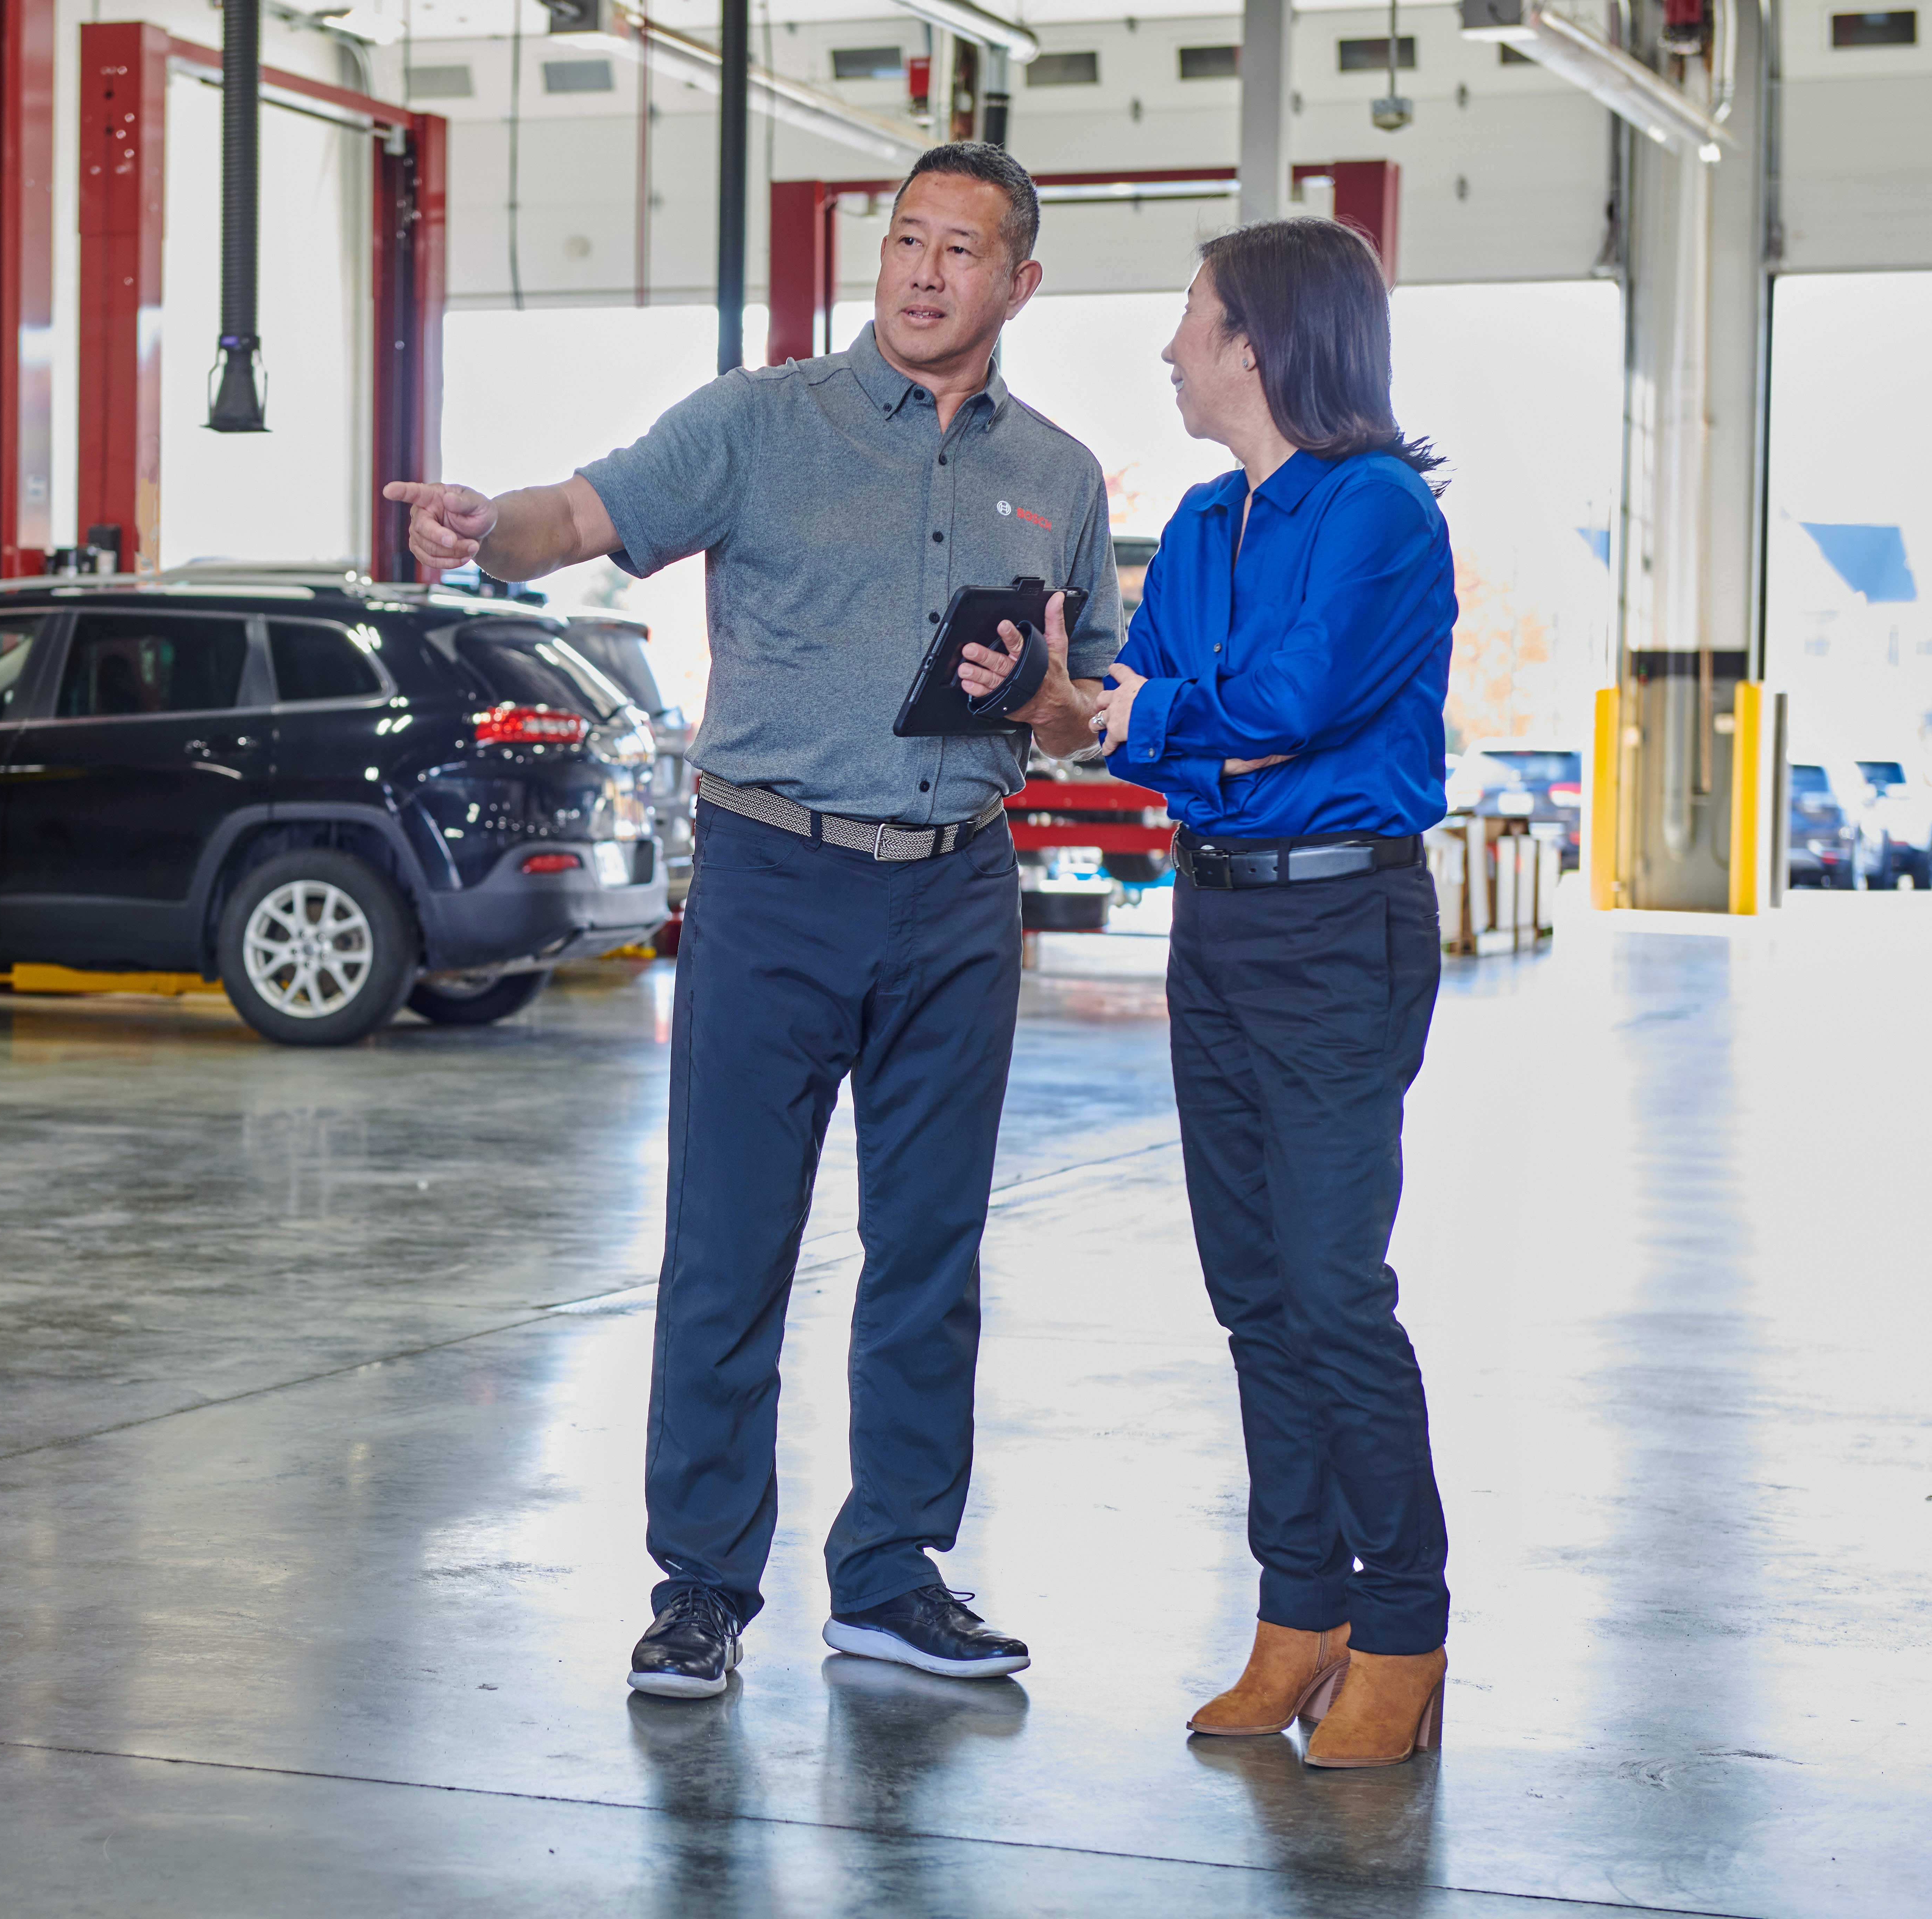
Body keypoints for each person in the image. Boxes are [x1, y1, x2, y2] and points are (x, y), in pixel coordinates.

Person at [386, 143, 1121, 1700]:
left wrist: (1056, 704)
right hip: (774, 877)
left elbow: (1080, 711)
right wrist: (481, 520)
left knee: (930, 1247)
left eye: (961, 251)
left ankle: (892, 1573)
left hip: (959, 888)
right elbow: (579, 511)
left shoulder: (1059, 478)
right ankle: (703, 1584)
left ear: (1020, 283)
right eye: (906, 241)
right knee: (730, 1242)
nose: (924, 272)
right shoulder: (756, 423)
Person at [1080, 217, 1457, 1768]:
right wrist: (1145, 716)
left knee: (1330, 1284)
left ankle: (1409, 1626)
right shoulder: (1194, 520)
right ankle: (1298, 1608)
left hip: (1337, 924)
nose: (1173, 347)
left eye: (1193, 319)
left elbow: (1288, 703)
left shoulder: (1379, 514)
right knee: (1252, 1292)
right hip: (1217, 923)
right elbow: (1157, 716)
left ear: (1261, 341)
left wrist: (1161, 716)